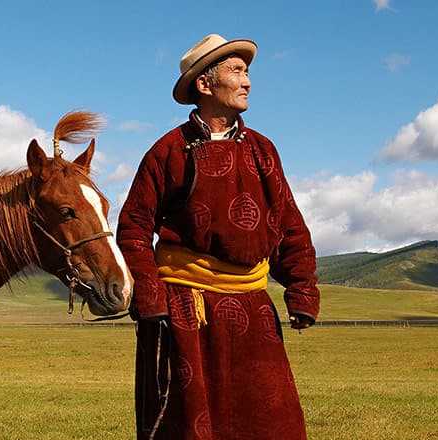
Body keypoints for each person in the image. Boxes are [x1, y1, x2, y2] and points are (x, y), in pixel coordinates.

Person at [116, 34, 320, 439]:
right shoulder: (169, 151)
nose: (247, 82)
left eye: (247, 73)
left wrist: (302, 289)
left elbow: (287, 224)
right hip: (186, 310)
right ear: (205, 85)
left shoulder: (263, 150)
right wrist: (151, 297)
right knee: (187, 423)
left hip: (254, 308)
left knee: (268, 418)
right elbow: (134, 227)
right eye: (237, 71)